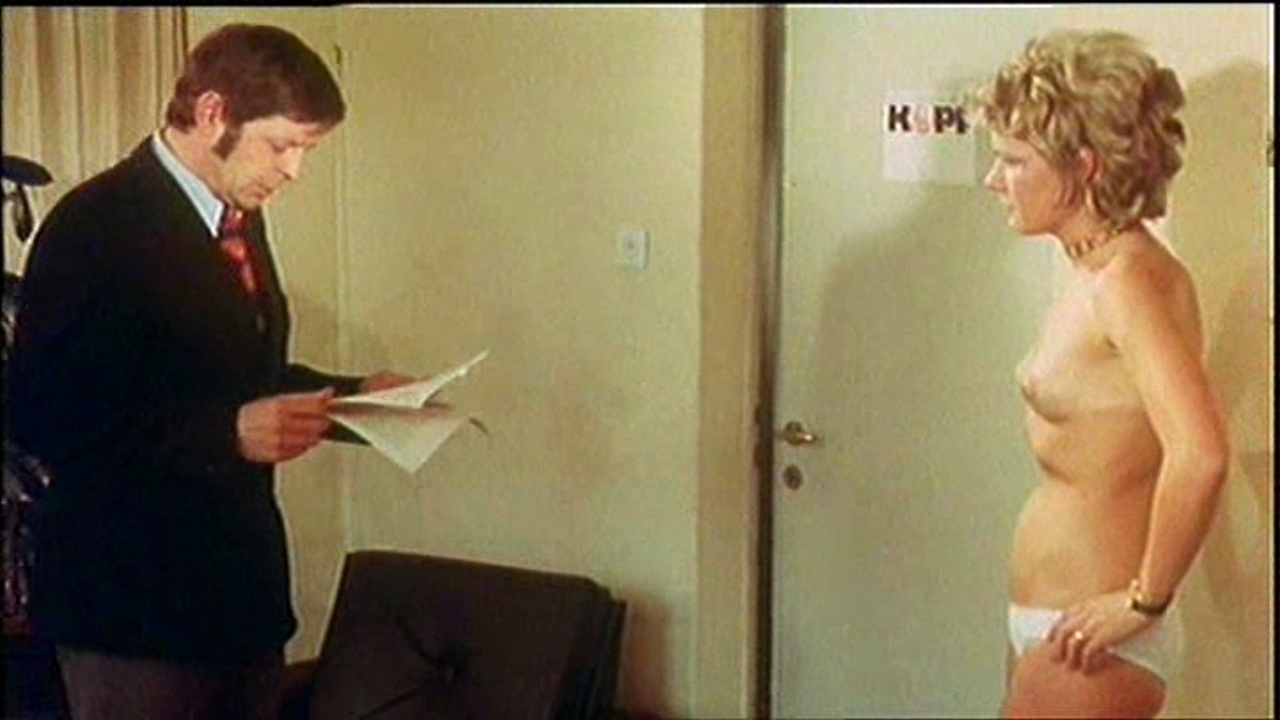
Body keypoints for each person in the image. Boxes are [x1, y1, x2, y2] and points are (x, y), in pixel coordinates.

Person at [7, 23, 411, 719]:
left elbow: (234, 379)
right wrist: (225, 434)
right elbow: (40, 418)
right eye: (282, 145)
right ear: (213, 112)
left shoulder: (237, 216)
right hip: (133, 619)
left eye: (306, 150)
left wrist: (355, 400)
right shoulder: (94, 224)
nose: (293, 171)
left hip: (238, 605)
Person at [970, 30, 1230, 718]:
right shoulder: (1091, 268)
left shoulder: (1126, 283)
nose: (994, 180)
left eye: (1013, 161)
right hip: (1058, 624)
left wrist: (1143, 601)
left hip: (1095, 637)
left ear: (1081, 166)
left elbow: (1201, 454)